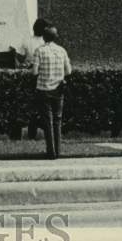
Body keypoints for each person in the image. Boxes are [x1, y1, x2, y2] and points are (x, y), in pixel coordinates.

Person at [30, 26, 71, 159]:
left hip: (43, 89)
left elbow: (34, 72)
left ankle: (50, 151)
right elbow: (69, 71)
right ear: (55, 37)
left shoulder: (39, 51)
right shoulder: (62, 50)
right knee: (58, 120)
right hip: (58, 89)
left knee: (47, 121)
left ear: (43, 37)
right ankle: (58, 151)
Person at [17, 18, 50, 139]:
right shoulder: (46, 43)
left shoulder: (27, 41)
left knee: (29, 105)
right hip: (44, 76)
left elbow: (20, 58)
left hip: (29, 76)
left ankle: (30, 132)